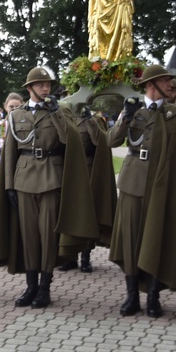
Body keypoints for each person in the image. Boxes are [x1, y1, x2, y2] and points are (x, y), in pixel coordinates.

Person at [0, 67, 96, 309]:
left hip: (51, 177)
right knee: (29, 236)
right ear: (30, 88)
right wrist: (10, 186)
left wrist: (56, 114)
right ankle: (31, 286)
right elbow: (10, 154)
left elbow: (70, 140)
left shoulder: (61, 111)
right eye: (40, 84)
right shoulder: (17, 116)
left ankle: (45, 287)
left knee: (48, 235)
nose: (46, 88)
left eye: (48, 84)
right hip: (24, 179)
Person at [107, 65, 176, 318]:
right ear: (151, 85)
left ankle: (153, 295)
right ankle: (131, 295)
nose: (172, 85)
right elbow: (112, 141)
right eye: (166, 80)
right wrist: (125, 117)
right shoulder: (134, 110)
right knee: (130, 240)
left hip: (163, 187)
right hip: (133, 183)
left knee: (156, 238)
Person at [58, 105, 117, 273]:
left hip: (88, 171)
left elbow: (100, 141)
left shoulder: (95, 120)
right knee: (68, 214)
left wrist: (89, 119)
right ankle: (69, 257)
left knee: (86, 215)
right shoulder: (63, 117)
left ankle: (85, 257)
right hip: (67, 171)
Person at [0, 92, 24, 241]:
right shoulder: (2, 126)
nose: (14, 109)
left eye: (17, 106)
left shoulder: (25, 122)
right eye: (11, 107)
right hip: (3, 173)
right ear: (5, 107)